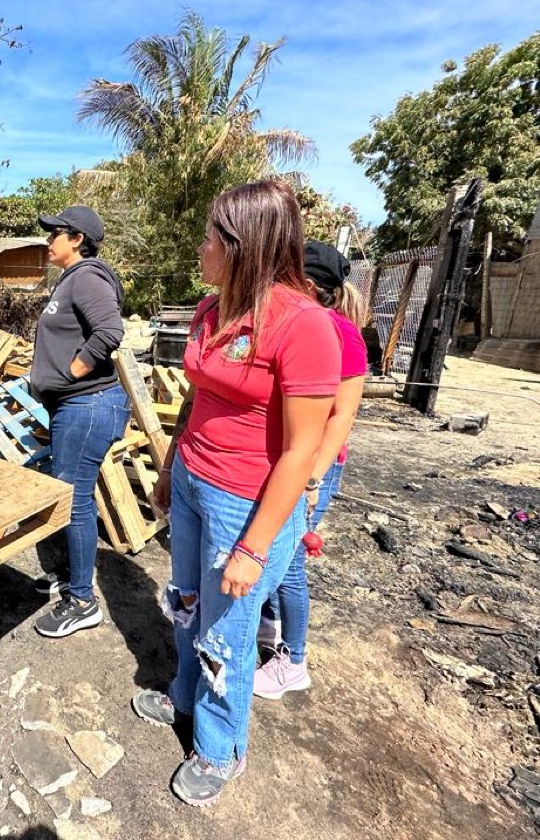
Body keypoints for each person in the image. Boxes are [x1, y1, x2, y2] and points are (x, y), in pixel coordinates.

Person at [130, 180, 340, 807]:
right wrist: (171, 466)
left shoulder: (304, 325)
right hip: (195, 476)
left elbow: (302, 450)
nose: (201, 248)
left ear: (242, 245)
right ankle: (185, 692)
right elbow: (196, 396)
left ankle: (220, 747)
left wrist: (254, 547)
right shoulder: (211, 309)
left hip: (246, 502)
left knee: (229, 627)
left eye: (210, 238)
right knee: (188, 600)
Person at [253, 241, 368, 700]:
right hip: (289, 461)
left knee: (289, 559)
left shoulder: (340, 332)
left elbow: (343, 415)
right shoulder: (291, 323)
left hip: (312, 466)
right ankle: (270, 623)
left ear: (308, 284)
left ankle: (293, 660)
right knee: (278, 557)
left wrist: (313, 479)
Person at [29, 205, 130, 639]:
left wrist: (73, 370)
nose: (48, 240)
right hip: (74, 407)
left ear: (77, 239)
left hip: (87, 406)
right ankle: (75, 580)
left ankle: (82, 601)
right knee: (74, 497)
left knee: (76, 501)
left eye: (56, 233)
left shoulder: (87, 276)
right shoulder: (72, 279)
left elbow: (109, 332)